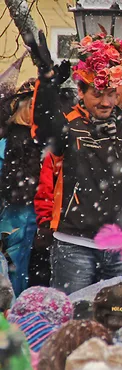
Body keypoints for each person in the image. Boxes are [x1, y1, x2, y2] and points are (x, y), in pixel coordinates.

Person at [26, 31, 122, 294]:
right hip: (74, 244)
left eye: (111, 94)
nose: (106, 102)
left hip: (117, 247)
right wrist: (46, 79)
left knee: (113, 322)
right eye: (97, 93)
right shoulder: (70, 126)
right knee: (73, 320)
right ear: (81, 91)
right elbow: (43, 130)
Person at [0, 78, 40, 295]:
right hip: (11, 218)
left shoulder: (47, 143)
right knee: (13, 268)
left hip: (39, 218)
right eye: (32, 105)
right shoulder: (6, 143)